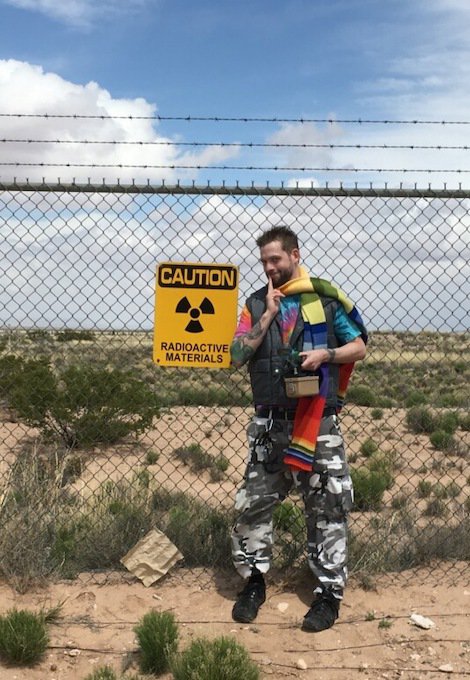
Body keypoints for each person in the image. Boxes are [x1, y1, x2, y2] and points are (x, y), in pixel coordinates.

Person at [230, 226, 367, 632]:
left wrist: (327, 353)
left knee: (327, 506)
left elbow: (358, 345)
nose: (269, 268)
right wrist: (269, 314)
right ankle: (253, 582)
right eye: (264, 262)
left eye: (276, 259)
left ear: (294, 254)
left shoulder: (324, 299)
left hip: (317, 422)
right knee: (253, 505)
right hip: (270, 423)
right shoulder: (255, 304)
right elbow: (237, 354)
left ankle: (328, 594)